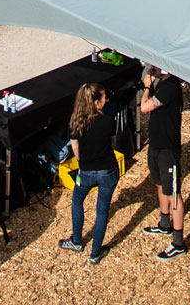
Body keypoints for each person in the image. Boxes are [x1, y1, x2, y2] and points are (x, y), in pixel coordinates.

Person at [57, 83, 118, 263]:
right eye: (104, 98)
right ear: (97, 102)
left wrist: (82, 163)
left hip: (86, 171)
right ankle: (95, 253)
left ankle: (76, 241)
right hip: (107, 170)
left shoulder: (75, 123)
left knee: (77, 201)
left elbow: (75, 148)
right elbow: (110, 143)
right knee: (102, 211)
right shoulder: (108, 121)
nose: (106, 100)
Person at [140, 65, 187, 258]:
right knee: (160, 185)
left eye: (156, 66)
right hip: (156, 145)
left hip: (168, 149)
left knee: (173, 193)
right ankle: (164, 223)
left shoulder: (170, 87)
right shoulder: (163, 84)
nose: (152, 69)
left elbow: (144, 107)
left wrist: (147, 87)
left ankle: (178, 242)